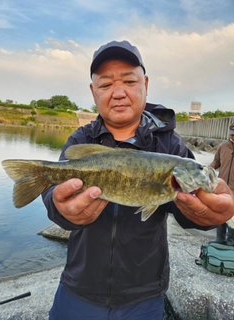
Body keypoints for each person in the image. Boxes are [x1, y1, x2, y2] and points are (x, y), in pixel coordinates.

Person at [42, 40, 234, 320]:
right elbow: (53, 198)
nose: (118, 93)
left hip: (143, 297)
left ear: (145, 83)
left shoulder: (172, 146)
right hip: (79, 288)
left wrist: (207, 215)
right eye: (106, 84)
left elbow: (185, 213)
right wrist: (59, 209)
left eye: (129, 81)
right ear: (93, 91)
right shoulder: (80, 140)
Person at [209, 123, 234, 245]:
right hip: (222, 189)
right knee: (220, 215)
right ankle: (219, 240)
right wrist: (209, 168)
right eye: (232, 135)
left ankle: (231, 242)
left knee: (233, 219)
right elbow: (216, 162)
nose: (233, 137)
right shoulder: (223, 147)